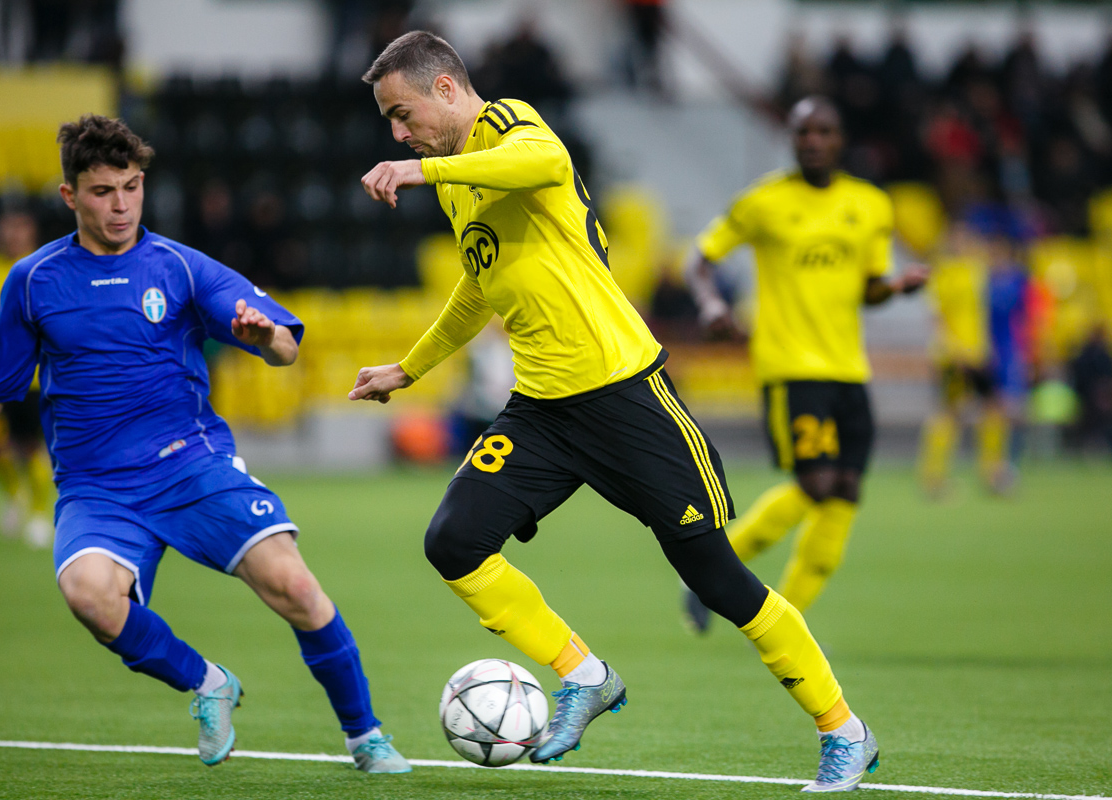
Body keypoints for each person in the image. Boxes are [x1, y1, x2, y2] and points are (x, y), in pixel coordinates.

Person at [353, 32, 878, 791]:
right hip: (541, 411)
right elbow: (479, 285)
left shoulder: (505, 124)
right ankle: (585, 675)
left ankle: (844, 730)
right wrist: (409, 368)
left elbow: (545, 162)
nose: (398, 134)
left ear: (443, 89)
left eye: (401, 114)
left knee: (719, 581)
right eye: (390, 124)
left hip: (624, 393)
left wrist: (422, 168)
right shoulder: (460, 183)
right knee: (454, 542)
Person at [0, 114, 409, 775]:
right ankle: (208, 682)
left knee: (294, 584)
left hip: (192, 465)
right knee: (89, 594)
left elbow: (286, 347)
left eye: (131, 187)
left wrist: (263, 338)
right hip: (96, 487)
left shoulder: (177, 265)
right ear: (69, 195)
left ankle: (365, 735)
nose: (121, 205)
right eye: (102, 191)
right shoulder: (32, 280)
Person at [683, 97, 927, 626]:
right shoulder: (764, 202)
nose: (812, 141)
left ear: (841, 139)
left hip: (849, 369)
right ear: (790, 139)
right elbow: (699, 259)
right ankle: (709, 571)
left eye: (823, 131)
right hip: (791, 366)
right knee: (816, 484)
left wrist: (895, 288)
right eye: (802, 132)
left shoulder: (870, 205)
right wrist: (712, 304)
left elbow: (869, 288)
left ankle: (791, 622)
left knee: (846, 491)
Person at [0, 209, 56, 546]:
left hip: (33, 377)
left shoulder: (45, 268)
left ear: (31, 234)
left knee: (33, 447)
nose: (12, 237)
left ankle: (38, 513)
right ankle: (15, 494)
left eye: (19, 230)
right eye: (7, 230)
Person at [918, 222, 1011, 496]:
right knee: (950, 413)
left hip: (978, 353)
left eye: (965, 239)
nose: (962, 244)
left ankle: (992, 472)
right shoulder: (943, 274)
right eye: (957, 239)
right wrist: (954, 349)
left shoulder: (975, 269)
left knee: (993, 410)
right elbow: (937, 319)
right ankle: (934, 478)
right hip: (954, 356)